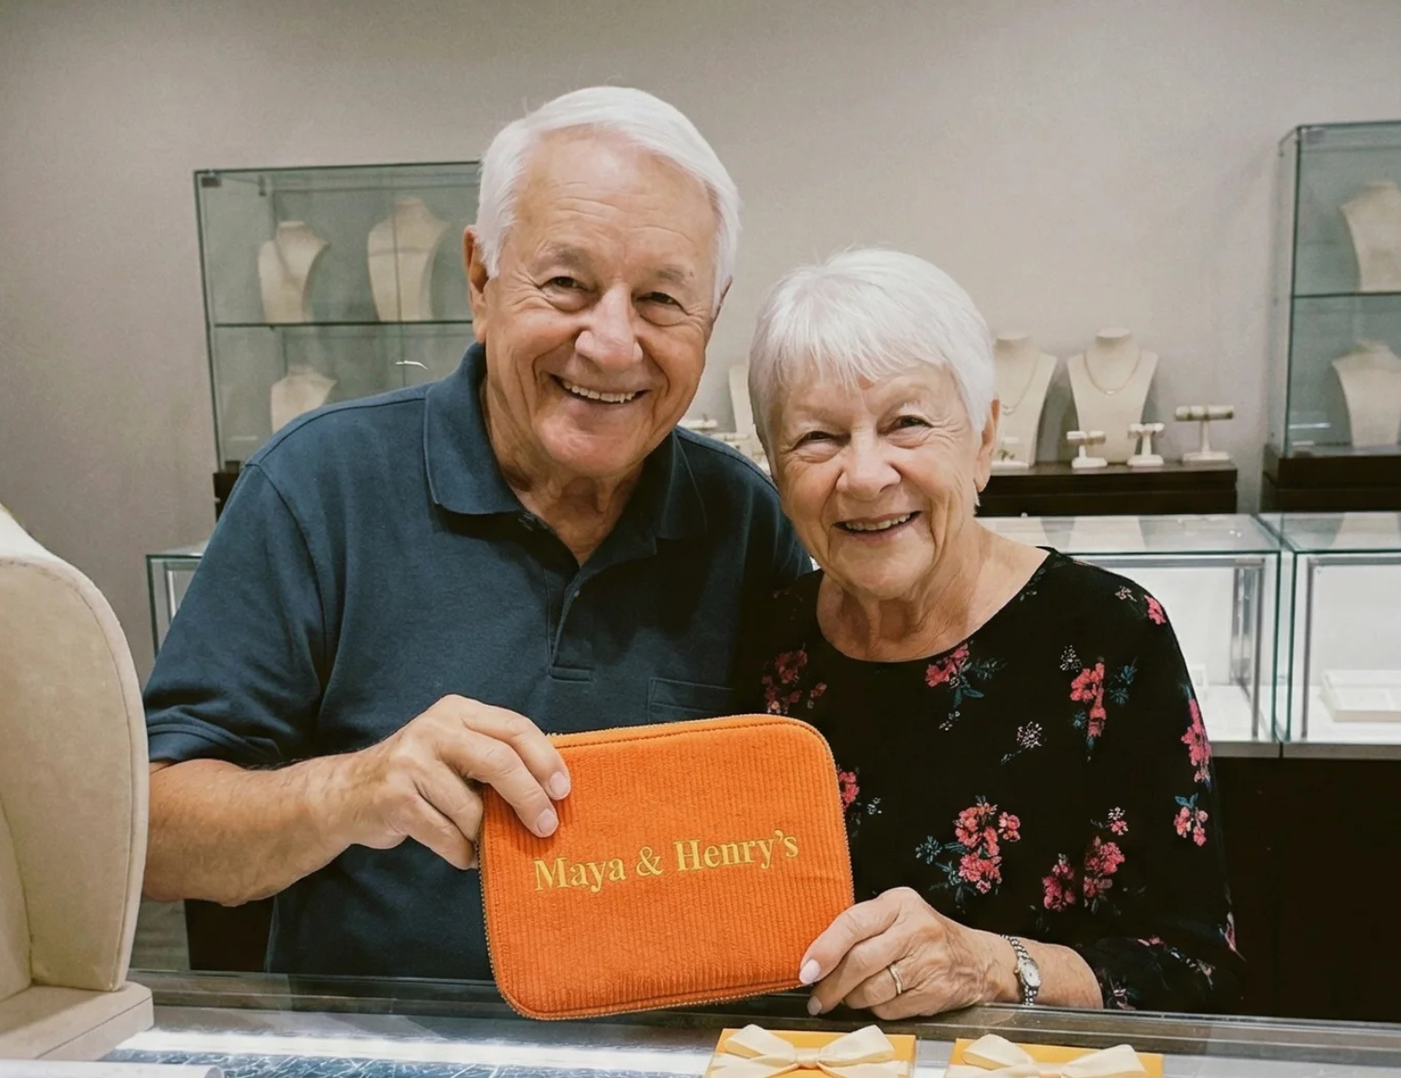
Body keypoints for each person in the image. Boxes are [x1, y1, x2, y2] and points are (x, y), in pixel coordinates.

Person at [143, 88, 808, 978]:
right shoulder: (318, 486)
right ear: (480, 280)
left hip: (660, 1072)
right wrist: (353, 789)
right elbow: (149, 836)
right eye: (566, 283)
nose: (612, 343)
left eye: (659, 300)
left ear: (711, 318)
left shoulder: (741, 520)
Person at [743, 249, 1241, 1016]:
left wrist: (990, 965)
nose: (866, 474)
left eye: (906, 423)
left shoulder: (1108, 636)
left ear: (982, 440)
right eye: (817, 437)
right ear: (774, 469)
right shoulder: (760, 641)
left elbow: (1190, 964)